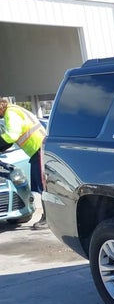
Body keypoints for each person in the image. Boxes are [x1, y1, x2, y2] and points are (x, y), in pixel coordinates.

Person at [0, 97, 48, 228]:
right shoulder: (15, 110)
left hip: (38, 149)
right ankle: (48, 218)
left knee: (43, 186)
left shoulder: (11, 113)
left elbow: (11, 136)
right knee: (42, 185)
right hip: (38, 150)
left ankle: (48, 219)